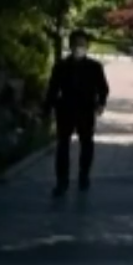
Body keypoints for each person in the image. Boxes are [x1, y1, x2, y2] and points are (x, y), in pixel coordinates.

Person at [43, 29, 109, 197]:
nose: (79, 47)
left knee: (86, 144)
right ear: (70, 45)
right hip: (65, 109)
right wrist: (48, 108)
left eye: (82, 44)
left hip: (86, 109)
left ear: (87, 46)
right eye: (76, 44)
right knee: (62, 145)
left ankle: (83, 176)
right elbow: (52, 88)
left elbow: (103, 87)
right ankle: (62, 181)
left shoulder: (94, 67)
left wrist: (101, 103)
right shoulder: (61, 66)